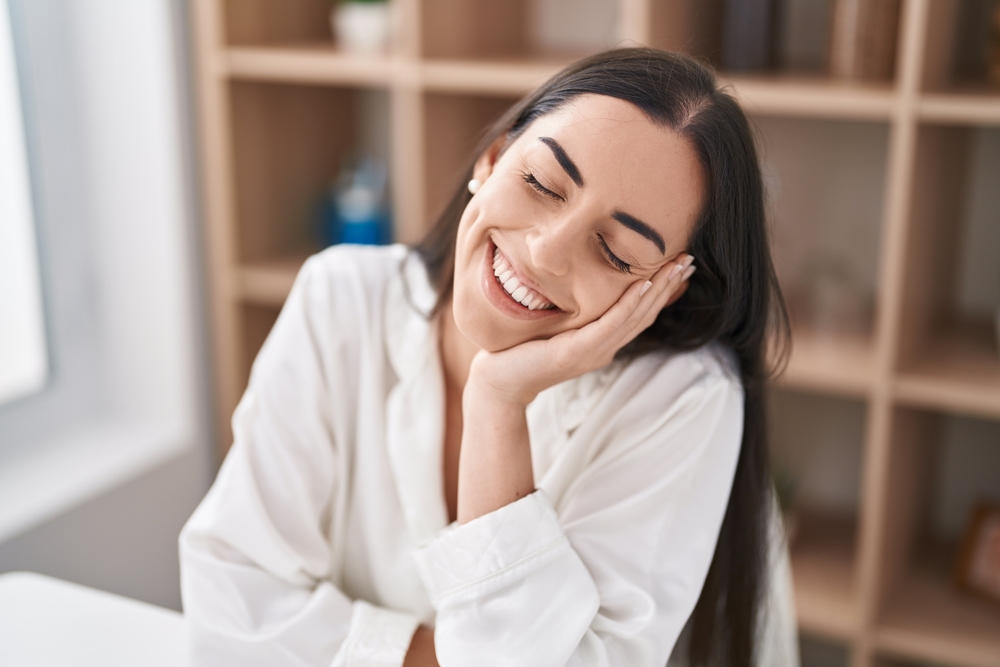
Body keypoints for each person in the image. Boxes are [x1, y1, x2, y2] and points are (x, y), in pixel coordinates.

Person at [179, 48, 795, 667]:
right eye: (541, 183)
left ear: (662, 289)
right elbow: (227, 595)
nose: (546, 252)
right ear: (494, 158)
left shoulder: (682, 398)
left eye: (615, 252)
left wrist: (498, 403)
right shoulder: (341, 300)